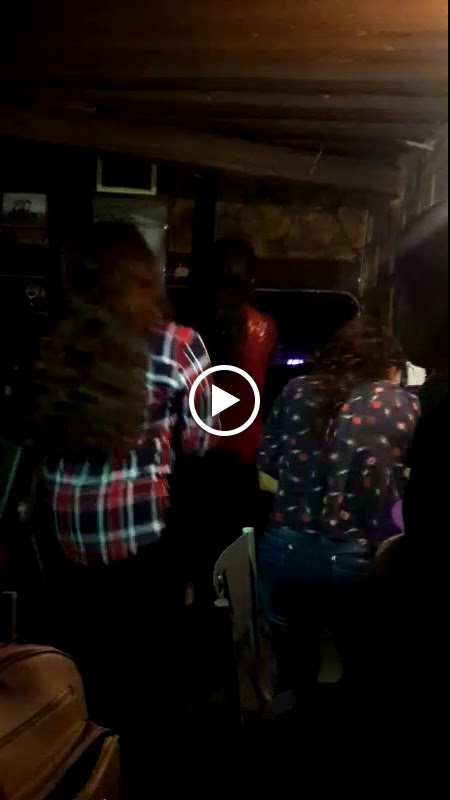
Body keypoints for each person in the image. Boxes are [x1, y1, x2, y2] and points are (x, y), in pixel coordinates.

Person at [25, 222, 216, 751]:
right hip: (140, 546)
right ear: (144, 277)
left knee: (83, 682)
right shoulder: (179, 344)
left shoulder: (54, 343)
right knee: (143, 693)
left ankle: (83, 765)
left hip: (60, 541)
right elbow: (202, 443)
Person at [257, 316, 418, 695]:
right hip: (358, 556)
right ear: (390, 366)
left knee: (294, 671)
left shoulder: (296, 390)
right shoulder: (403, 405)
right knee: (363, 666)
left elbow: (266, 464)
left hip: (284, 549)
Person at [200, 237, 277, 539]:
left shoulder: (190, 328)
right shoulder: (265, 328)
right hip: (247, 457)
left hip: (200, 459)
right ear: (251, 279)